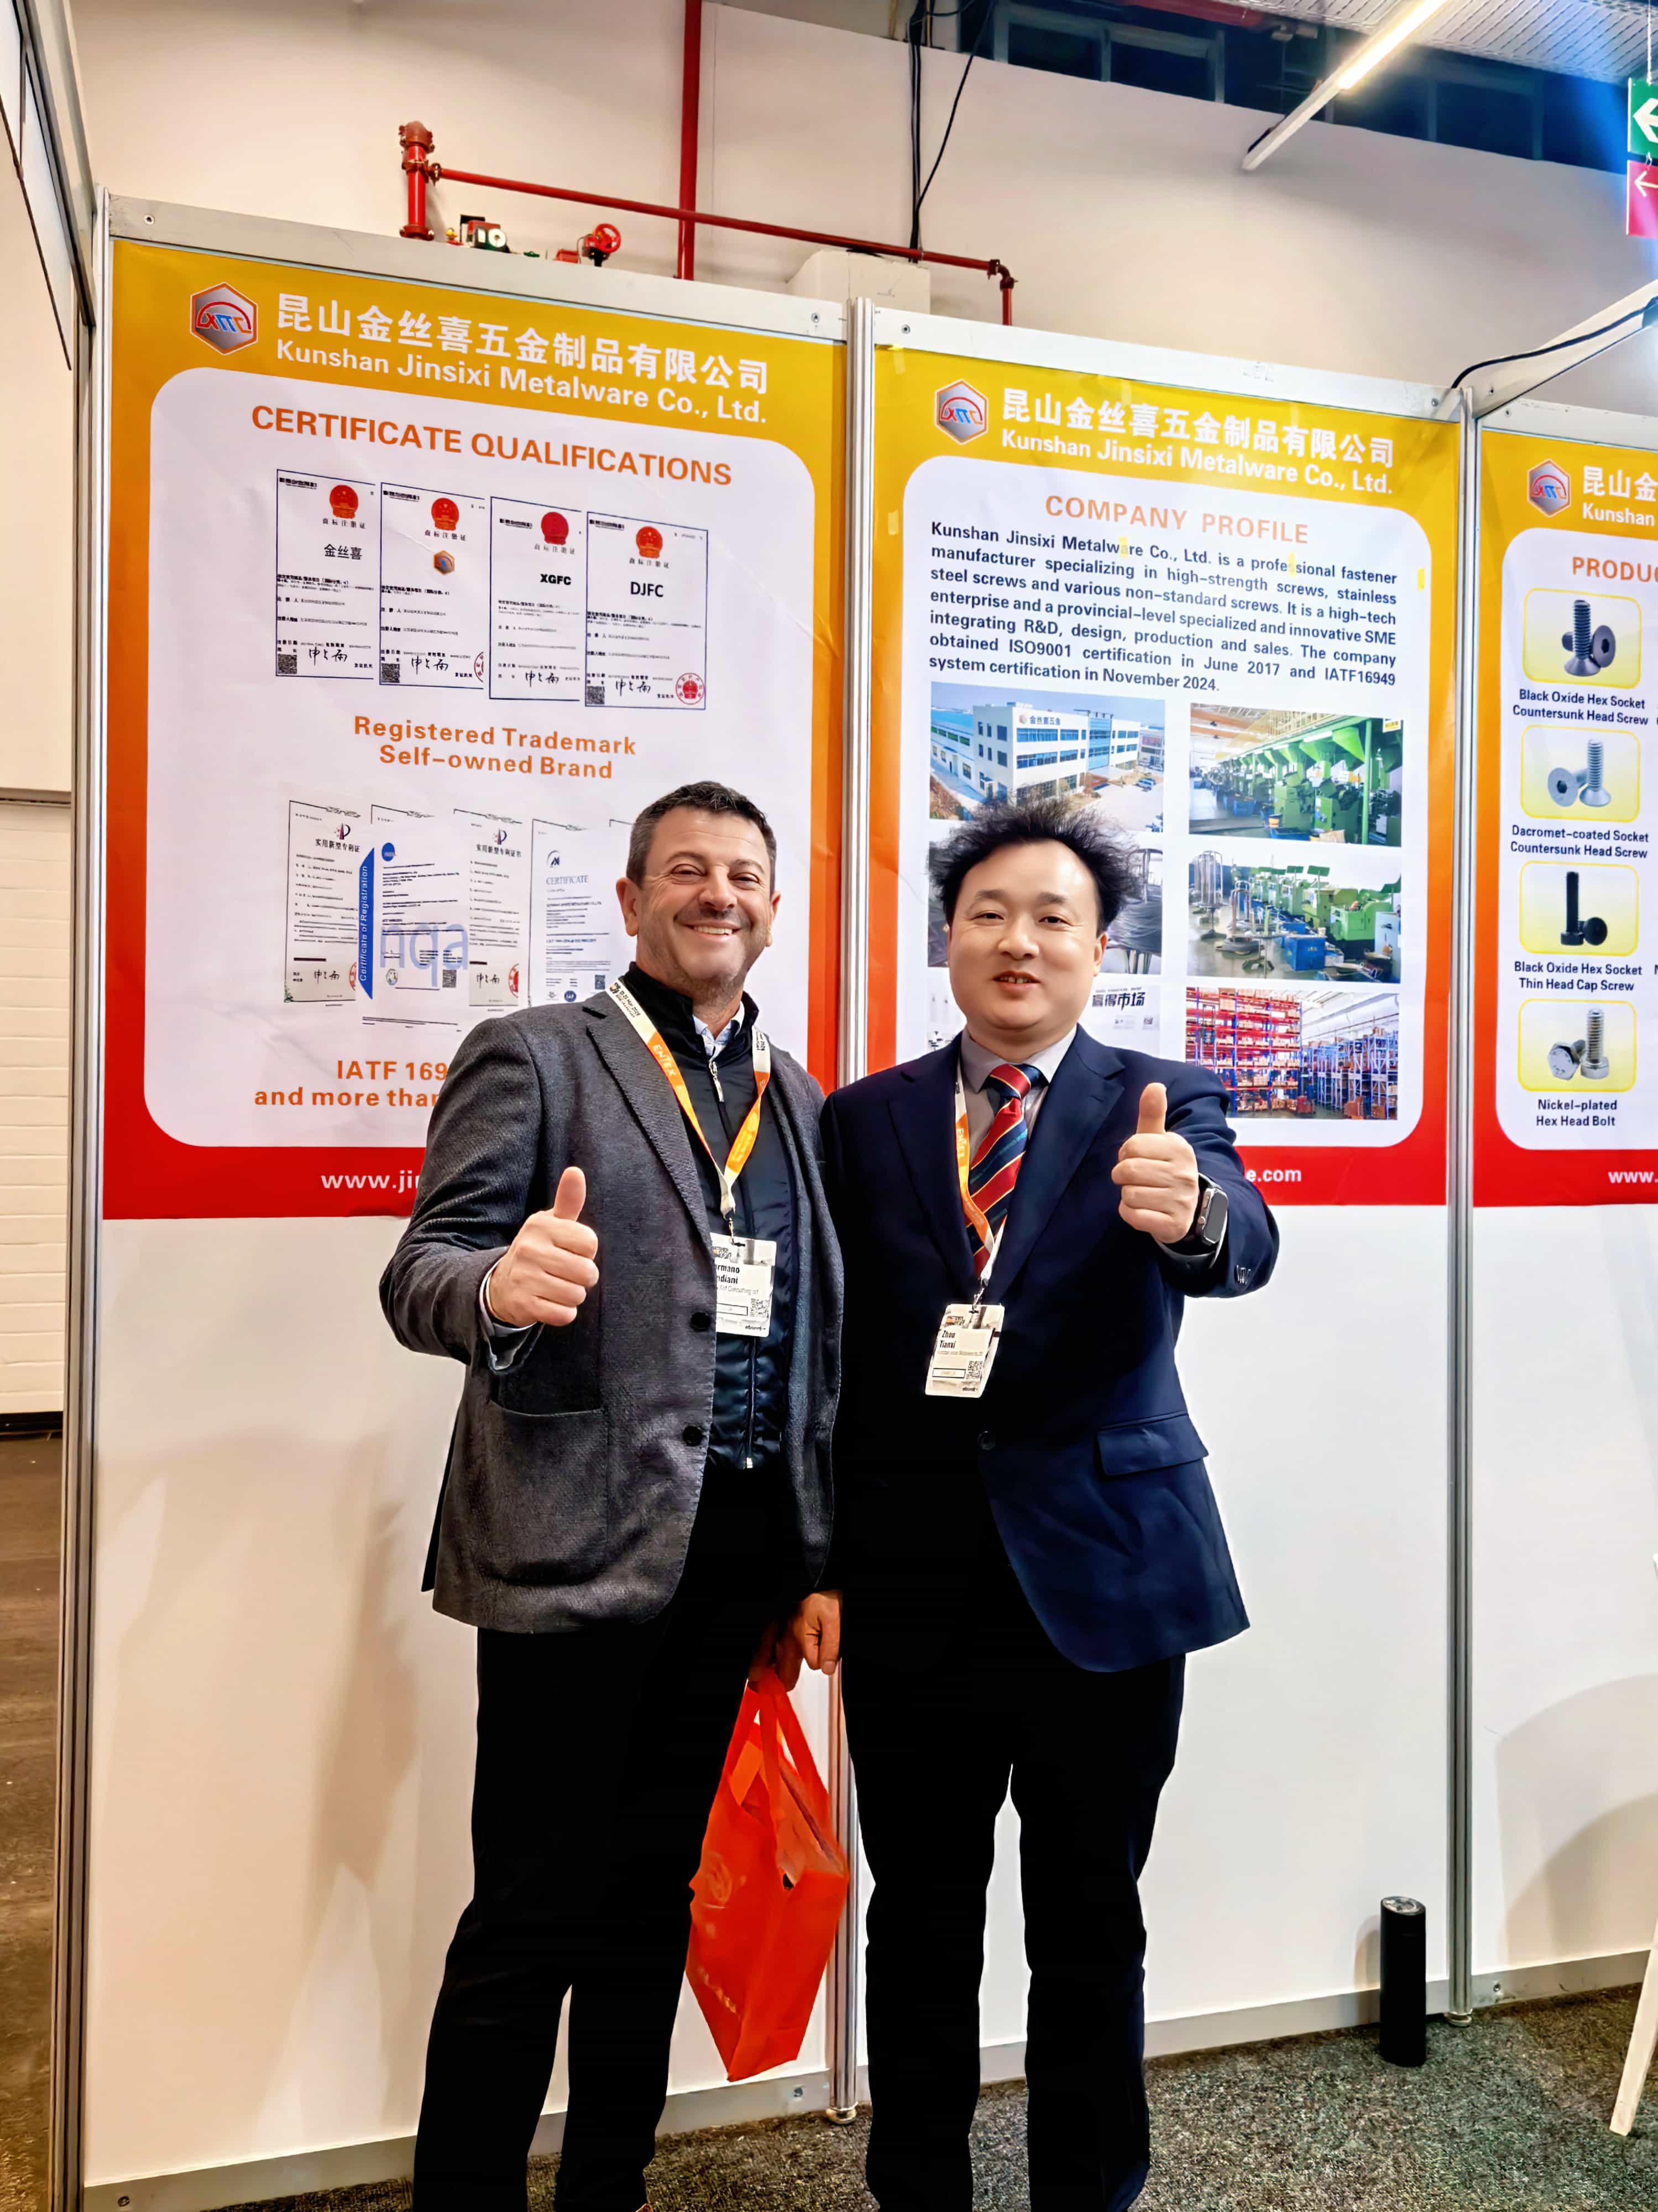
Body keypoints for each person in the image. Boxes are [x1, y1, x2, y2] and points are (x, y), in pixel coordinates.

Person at [792, 794, 1279, 2212]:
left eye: (1054, 917)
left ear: (1099, 946)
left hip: (1108, 1578)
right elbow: (833, 1356)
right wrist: (819, 1558)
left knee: (1090, 1916)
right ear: (949, 937)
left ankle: (1089, 2191)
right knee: (920, 1918)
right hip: (913, 1582)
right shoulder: (866, 1117)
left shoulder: (1165, 1096)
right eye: (990, 913)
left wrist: (1193, 1209)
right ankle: (917, 2190)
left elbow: (1243, 1241)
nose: (1021, 941)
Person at [380, 779, 840, 2212]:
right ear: (634, 899)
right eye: (688, 870)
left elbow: (809, 1342)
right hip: (569, 1555)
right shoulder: (535, 1055)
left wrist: (811, 1556)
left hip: (730, 1565)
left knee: (650, 1903)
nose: (720, 894)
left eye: (745, 875)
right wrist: (498, 1286)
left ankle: (608, 2189)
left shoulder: (795, 1099)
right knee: (531, 1914)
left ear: (774, 910)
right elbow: (420, 1270)